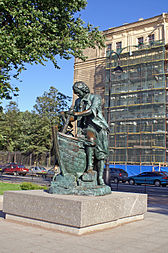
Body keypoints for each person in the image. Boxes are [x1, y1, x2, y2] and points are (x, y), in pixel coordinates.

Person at [68, 81, 109, 185]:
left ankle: (100, 178)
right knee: (88, 140)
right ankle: (88, 167)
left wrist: (76, 113)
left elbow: (92, 110)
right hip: (86, 128)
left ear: (84, 89)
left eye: (78, 92)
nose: (77, 94)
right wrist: (67, 116)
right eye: (75, 93)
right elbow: (76, 117)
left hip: (98, 127)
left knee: (101, 155)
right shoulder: (78, 101)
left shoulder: (96, 98)